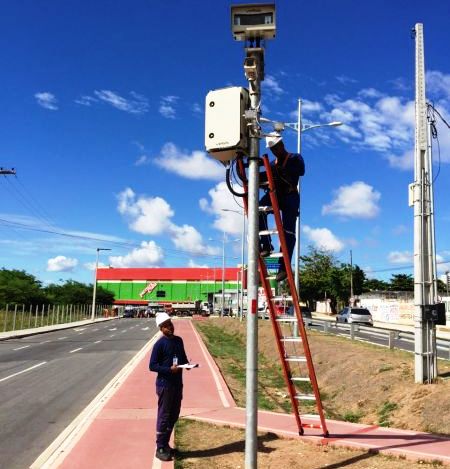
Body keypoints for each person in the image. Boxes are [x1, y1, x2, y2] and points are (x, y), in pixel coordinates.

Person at [259, 133, 305, 282]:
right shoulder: (271, 165)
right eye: (272, 149)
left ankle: (283, 267)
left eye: (276, 148)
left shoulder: (295, 158)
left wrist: (278, 170)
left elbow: (301, 170)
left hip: (290, 196)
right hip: (276, 195)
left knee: (288, 232)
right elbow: (264, 177)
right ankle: (266, 244)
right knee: (259, 209)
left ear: (282, 145)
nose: (275, 151)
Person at [149, 312, 189, 462]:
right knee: (164, 416)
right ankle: (160, 447)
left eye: (170, 324)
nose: (170, 327)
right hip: (165, 385)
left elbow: (183, 358)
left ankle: (165, 444)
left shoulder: (179, 340)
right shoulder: (159, 344)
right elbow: (152, 366)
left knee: (174, 415)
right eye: (166, 326)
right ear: (161, 328)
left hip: (177, 384)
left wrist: (187, 365)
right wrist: (168, 370)